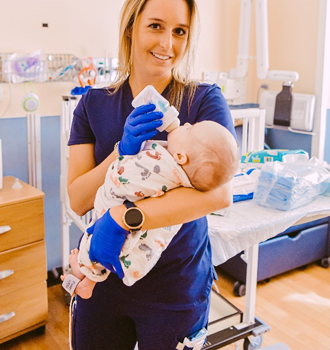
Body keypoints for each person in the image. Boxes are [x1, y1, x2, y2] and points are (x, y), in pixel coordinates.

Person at [67, 0, 237, 350]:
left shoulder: (204, 101)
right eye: (155, 26)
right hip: (104, 284)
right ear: (131, 29)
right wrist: (120, 151)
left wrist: (123, 217)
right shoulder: (93, 105)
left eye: (180, 31)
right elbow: (77, 198)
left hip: (175, 289)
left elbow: (219, 195)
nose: (167, 43)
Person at [62, 120, 239, 299]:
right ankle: (88, 280)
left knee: (103, 243)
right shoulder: (182, 170)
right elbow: (78, 202)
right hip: (116, 293)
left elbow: (127, 178)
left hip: (177, 279)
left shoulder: (165, 168)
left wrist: (120, 214)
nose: (185, 123)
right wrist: (120, 150)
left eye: (189, 129)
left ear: (180, 157)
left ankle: (85, 274)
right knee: (107, 243)